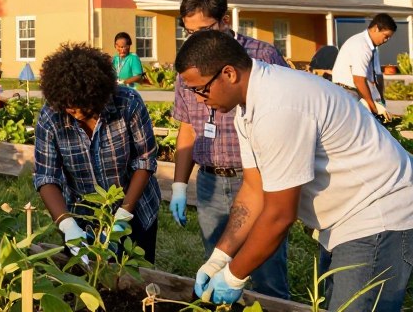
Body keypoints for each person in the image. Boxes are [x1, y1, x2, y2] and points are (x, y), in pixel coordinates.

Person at [177, 30, 413, 312]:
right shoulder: (247, 105)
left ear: (228, 73)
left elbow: (280, 215)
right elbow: (254, 190)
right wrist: (220, 257)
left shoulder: (278, 106)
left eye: (200, 89)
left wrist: (233, 275)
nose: (199, 100)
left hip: (378, 214)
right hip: (346, 218)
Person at [168, 0, 290, 299]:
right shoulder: (189, 65)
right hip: (210, 180)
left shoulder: (261, 56)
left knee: (266, 271)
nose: (194, 37)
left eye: (203, 29)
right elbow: (188, 127)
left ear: (224, 20)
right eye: (188, 30)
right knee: (217, 262)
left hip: (256, 181)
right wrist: (180, 185)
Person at [33, 42, 161, 263]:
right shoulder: (51, 116)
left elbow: (145, 161)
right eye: (67, 107)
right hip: (83, 217)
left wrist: (122, 217)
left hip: (136, 209)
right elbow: (46, 176)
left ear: (97, 94)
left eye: (79, 105)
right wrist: (68, 225)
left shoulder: (127, 104)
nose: (72, 111)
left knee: (134, 277)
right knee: (87, 281)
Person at [331, 13, 396, 121]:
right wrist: (374, 108)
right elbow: (358, 80)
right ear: (376, 29)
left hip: (361, 93)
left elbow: (378, 75)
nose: (386, 40)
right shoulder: (361, 45)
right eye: (386, 36)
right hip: (349, 93)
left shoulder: (373, 47)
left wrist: (381, 100)